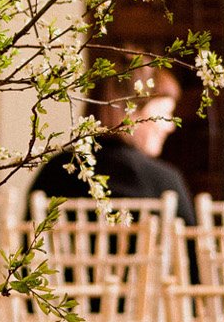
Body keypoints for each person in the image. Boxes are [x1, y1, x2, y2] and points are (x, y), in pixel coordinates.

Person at [31, 57, 197, 225]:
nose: (170, 127)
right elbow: (190, 249)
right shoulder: (164, 182)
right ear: (131, 112)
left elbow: (29, 244)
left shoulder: (55, 173)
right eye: (165, 113)